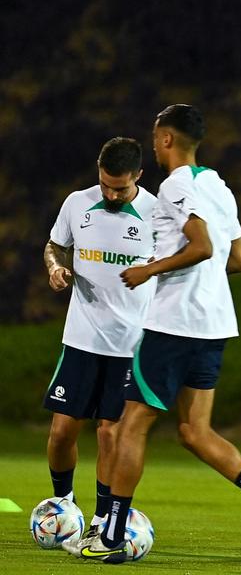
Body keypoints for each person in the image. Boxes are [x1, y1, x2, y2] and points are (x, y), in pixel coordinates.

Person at [81, 105, 241, 564]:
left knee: (129, 425)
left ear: (164, 139)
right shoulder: (218, 186)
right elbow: (237, 260)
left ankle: (111, 534)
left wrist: (150, 270)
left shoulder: (175, 184)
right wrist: (201, 282)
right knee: (194, 432)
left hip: (174, 324)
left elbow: (203, 247)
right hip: (214, 324)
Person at [44, 137, 157, 550]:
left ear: (139, 177)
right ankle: (63, 504)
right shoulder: (77, 203)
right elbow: (55, 244)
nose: (111, 194)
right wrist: (56, 267)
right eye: (106, 185)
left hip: (130, 345)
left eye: (120, 188)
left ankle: (101, 518)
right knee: (61, 431)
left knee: (110, 434)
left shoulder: (158, 214)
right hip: (81, 338)